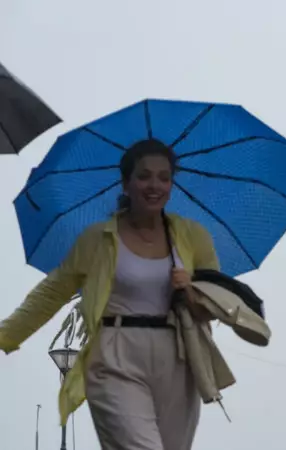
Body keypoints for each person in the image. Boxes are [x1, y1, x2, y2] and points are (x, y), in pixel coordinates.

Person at [0, 138, 220, 450]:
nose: (154, 185)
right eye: (143, 176)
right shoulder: (97, 239)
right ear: (126, 182)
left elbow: (216, 303)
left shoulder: (193, 237)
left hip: (179, 356)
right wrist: (5, 336)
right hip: (115, 353)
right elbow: (52, 292)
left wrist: (191, 292)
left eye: (164, 177)